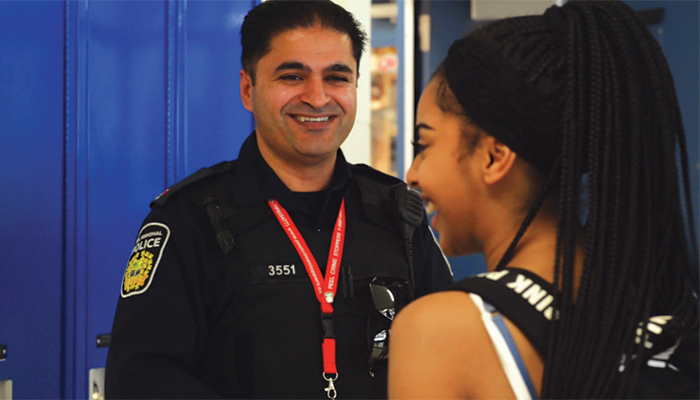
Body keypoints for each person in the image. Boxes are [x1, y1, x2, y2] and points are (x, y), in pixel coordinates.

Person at [104, 1, 453, 398]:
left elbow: (449, 354)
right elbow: (140, 381)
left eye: (337, 78)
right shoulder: (189, 221)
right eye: (292, 76)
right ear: (248, 89)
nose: (318, 98)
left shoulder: (397, 214)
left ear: (356, 85)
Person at [388, 1, 699, 399]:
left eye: (424, 144)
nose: (412, 174)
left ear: (493, 157)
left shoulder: (443, 328)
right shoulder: (663, 302)